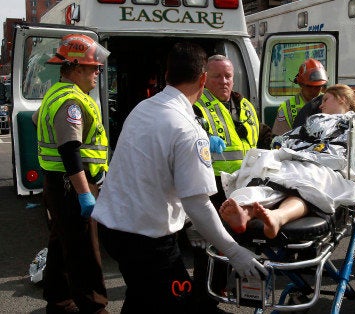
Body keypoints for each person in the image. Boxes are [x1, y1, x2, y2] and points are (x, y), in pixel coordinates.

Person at [91, 42, 267, 313]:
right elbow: (198, 203)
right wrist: (235, 252)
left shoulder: (144, 109)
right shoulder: (187, 129)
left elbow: (150, 171)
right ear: (203, 79)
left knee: (142, 297)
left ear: (166, 74)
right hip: (146, 241)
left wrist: (183, 219)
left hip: (114, 229)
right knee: (181, 301)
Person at [219, 84, 355, 239]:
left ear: (342, 99)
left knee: (306, 184)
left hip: (329, 167)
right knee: (268, 175)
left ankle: (278, 216)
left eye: (326, 99)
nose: (320, 105)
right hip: (298, 160)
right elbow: (284, 141)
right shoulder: (311, 122)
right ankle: (245, 212)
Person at [33, 34, 110, 314]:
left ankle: (59, 301)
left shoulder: (56, 93)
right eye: (92, 68)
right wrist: (85, 194)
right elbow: (70, 152)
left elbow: (35, 118)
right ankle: (94, 308)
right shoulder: (72, 102)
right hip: (72, 184)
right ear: (75, 68)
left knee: (61, 243)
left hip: (57, 183)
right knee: (85, 251)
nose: (96, 73)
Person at [188, 54, 267, 312]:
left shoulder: (243, 104)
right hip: (214, 188)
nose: (224, 81)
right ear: (205, 78)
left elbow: (258, 136)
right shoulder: (197, 105)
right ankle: (202, 301)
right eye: (217, 76)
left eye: (228, 76)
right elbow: (189, 130)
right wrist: (202, 135)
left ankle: (217, 292)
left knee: (234, 247)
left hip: (243, 188)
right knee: (212, 249)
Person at [271, 58, 328, 135]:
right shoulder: (287, 108)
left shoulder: (330, 102)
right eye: (309, 86)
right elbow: (279, 139)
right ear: (300, 84)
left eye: (318, 86)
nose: (314, 90)